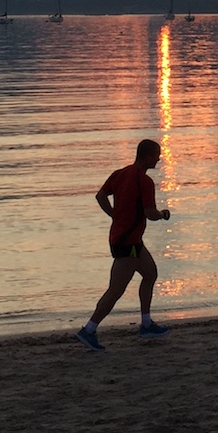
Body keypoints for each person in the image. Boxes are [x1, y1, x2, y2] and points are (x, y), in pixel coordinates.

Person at [76, 138, 171, 351]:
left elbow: (101, 196)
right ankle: (89, 329)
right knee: (116, 290)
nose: (159, 159)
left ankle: (146, 324)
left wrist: (114, 215)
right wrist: (163, 214)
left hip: (130, 240)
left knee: (150, 274)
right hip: (127, 243)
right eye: (157, 155)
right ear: (147, 156)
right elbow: (150, 213)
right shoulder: (144, 181)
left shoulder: (120, 174)